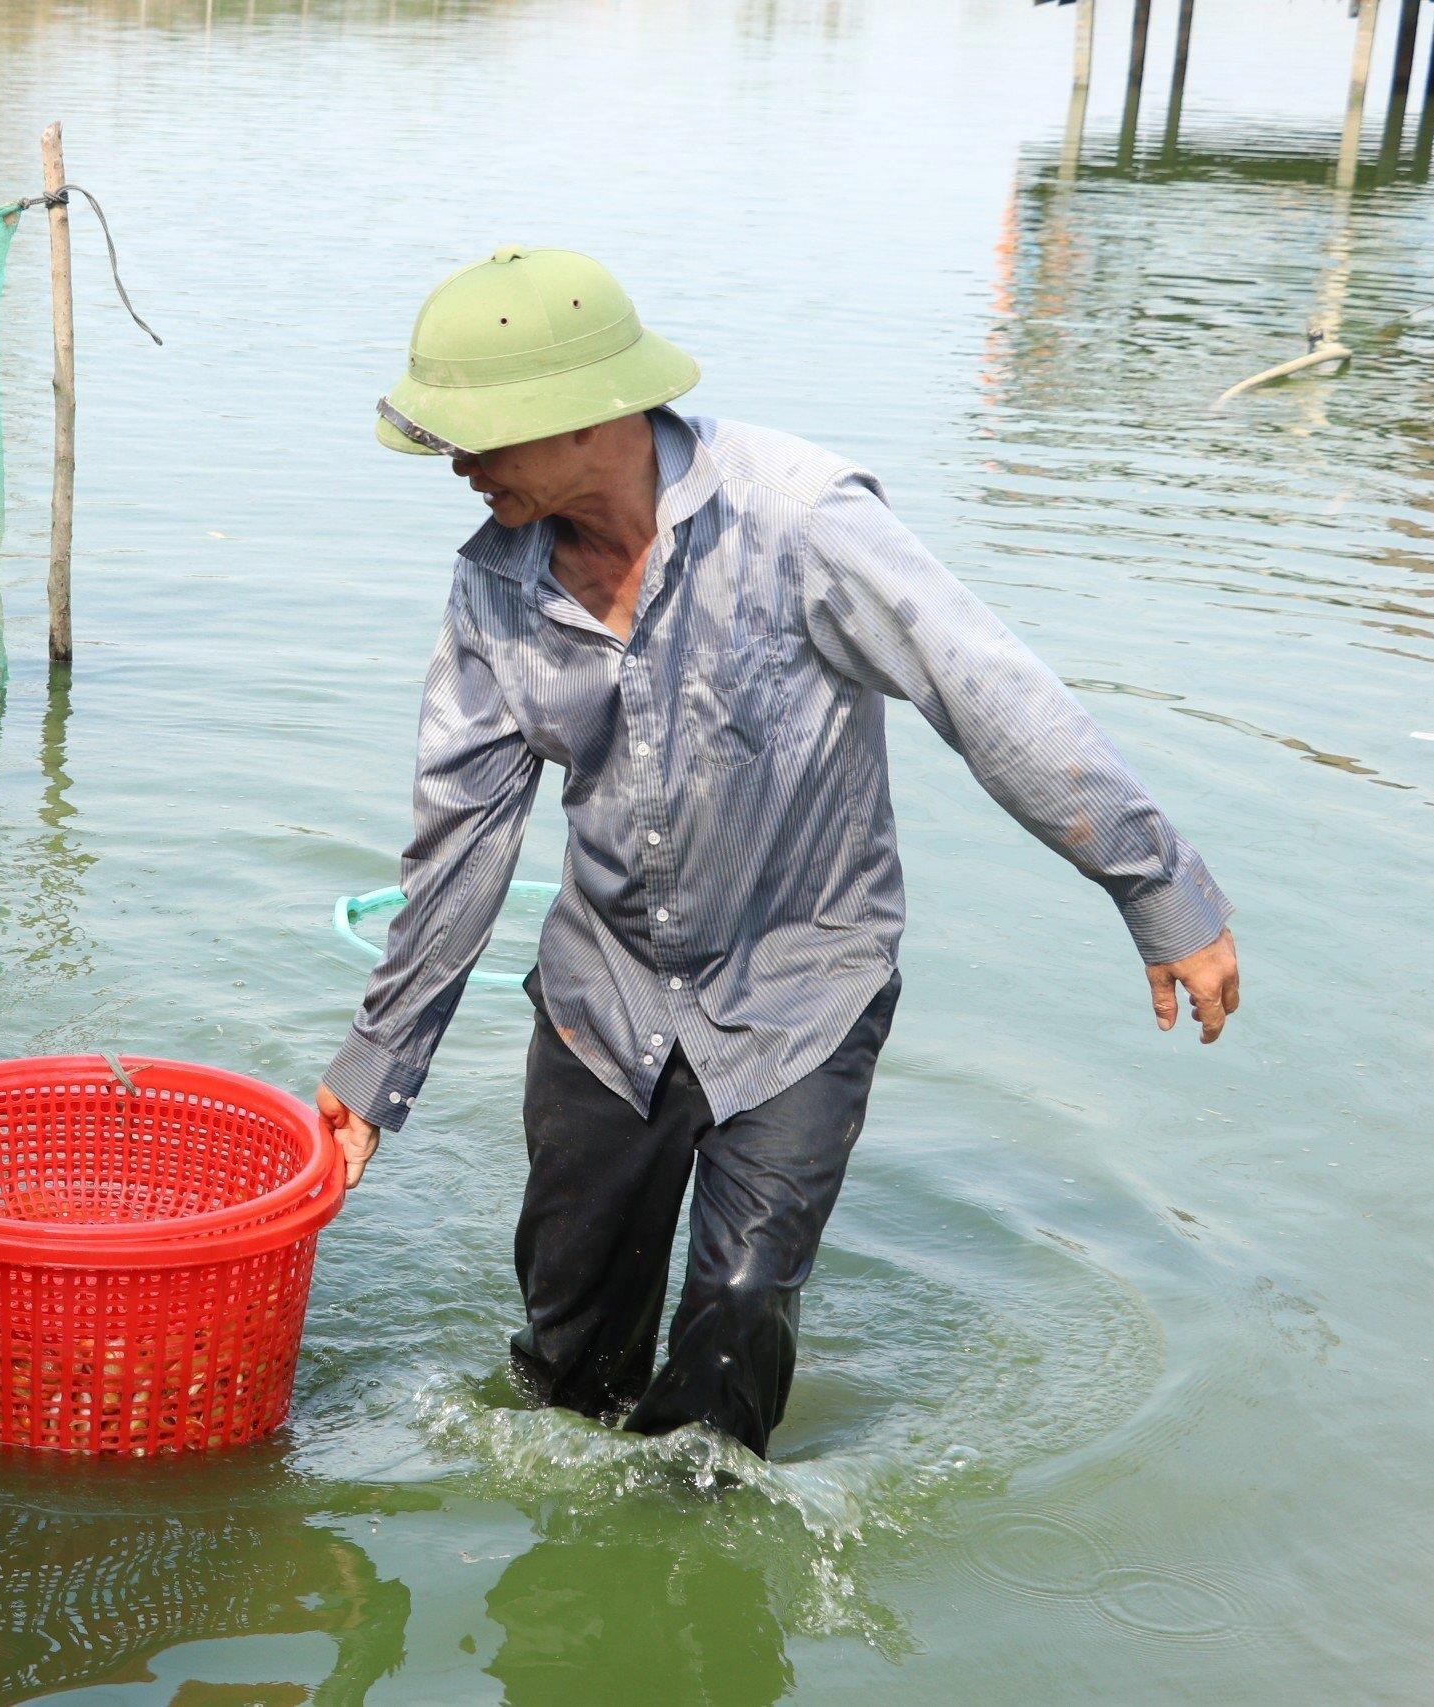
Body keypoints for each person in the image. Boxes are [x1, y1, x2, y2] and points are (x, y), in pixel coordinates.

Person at [317, 247, 1240, 1457]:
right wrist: (377, 1067)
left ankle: (696, 1575)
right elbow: (461, 835)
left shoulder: (802, 520)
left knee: (737, 1317)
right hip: (605, 999)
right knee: (566, 1360)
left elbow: (987, 692)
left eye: (481, 436)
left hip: (805, 983)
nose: (458, 464)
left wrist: (1153, 884)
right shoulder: (494, 587)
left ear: (595, 418)